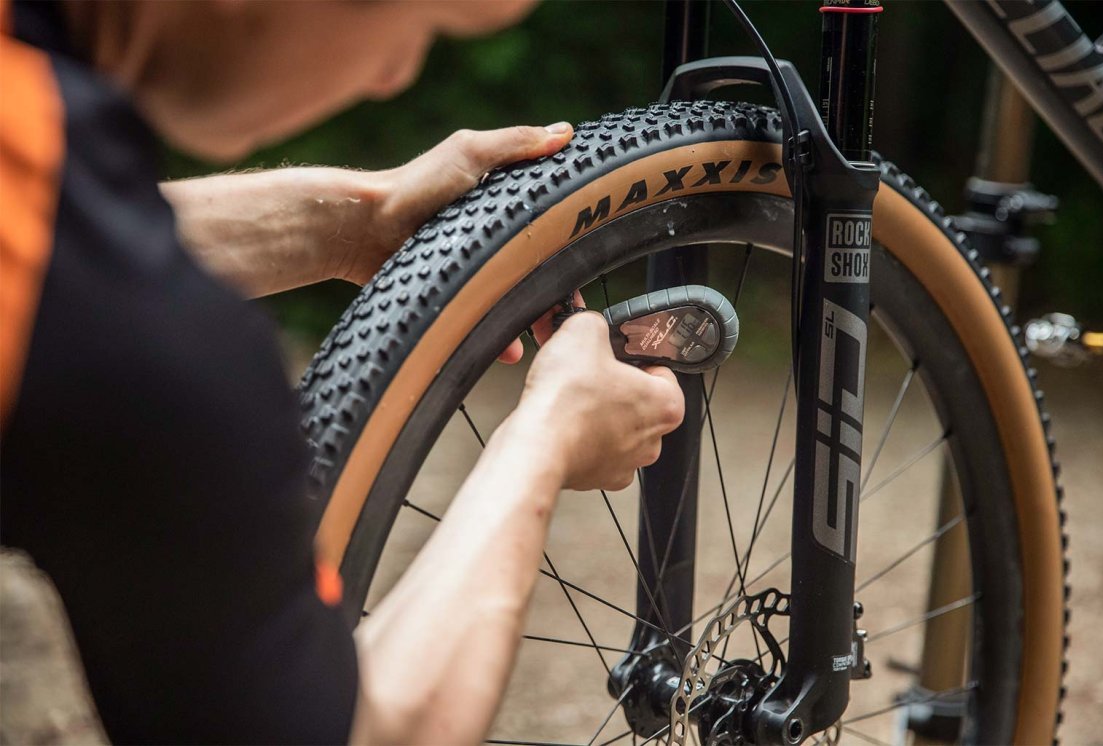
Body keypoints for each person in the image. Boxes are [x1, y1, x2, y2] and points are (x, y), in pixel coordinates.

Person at [0, 1, 685, 744]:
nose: (395, 76)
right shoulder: (155, 352)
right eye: (413, 20)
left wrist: (352, 222)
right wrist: (548, 437)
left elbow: (66, 249)